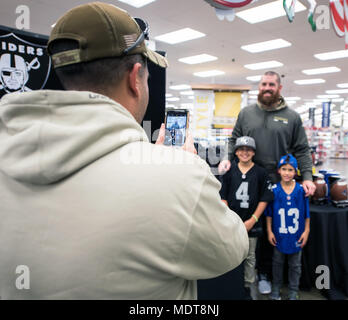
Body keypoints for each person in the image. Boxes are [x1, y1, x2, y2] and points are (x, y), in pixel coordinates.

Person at [0, 2, 249, 299]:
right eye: (147, 76)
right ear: (135, 79)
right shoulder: (177, 178)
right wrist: (185, 173)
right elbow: (232, 248)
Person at [218, 71, 315, 295]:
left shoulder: (292, 117)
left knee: (275, 230)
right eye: (263, 84)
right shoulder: (246, 114)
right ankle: (251, 273)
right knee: (254, 229)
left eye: (272, 84)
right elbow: (234, 139)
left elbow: (301, 149)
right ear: (258, 88)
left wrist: (308, 177)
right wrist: (226, 158)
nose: (267, 88)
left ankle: (269, 275)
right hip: (251, 178)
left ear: (279, 88)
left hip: (281, 183)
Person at [220, 136, 273, 300]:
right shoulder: (229, 171)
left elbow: (265, 198)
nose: (245, 152)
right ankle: (232, 283)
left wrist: (253, 220)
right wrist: (230, 218)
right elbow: (223, 196)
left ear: (254, 152)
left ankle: (248, 285)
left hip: (251, 224)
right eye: (241, 149)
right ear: (236, 152)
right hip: (232, 222)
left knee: (250, 256)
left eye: (248, 149)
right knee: (231, 253)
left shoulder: (261, 173)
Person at [265, 154, 310, 300]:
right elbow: (269, 214)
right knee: (277, 263)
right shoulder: (274, 190)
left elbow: (306, 214)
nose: (287, 173)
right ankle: (276, 288)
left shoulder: (301, 190)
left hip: (296, 234)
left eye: (290, 170)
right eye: (284, 169)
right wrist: (269, 230)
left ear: (295, 172)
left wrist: (307, 230)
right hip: (279, 234)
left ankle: (293, 290)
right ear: (279, 170)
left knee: (295, 266)